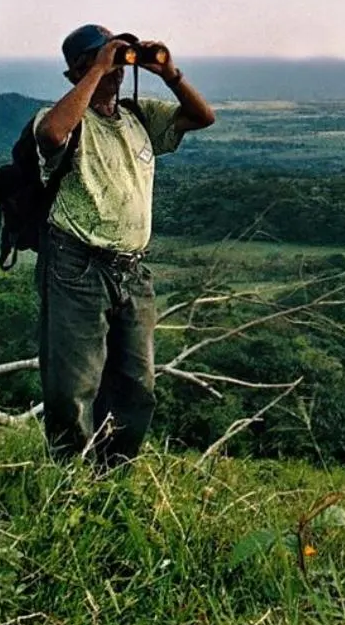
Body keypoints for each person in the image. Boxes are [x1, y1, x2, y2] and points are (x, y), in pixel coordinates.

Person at [33, 24, 215, 466]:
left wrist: (168, 73)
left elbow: (202, 116)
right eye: (101, 60)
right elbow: (52, 136)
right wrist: (97, 71)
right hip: (75, 263)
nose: (115, 69)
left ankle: (113, 474)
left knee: (136, 384)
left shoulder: (137, 116)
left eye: (117, 60)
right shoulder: (58, 116)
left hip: (132, 268)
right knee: (73, 384)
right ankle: (67, 478)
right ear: (74, 71)